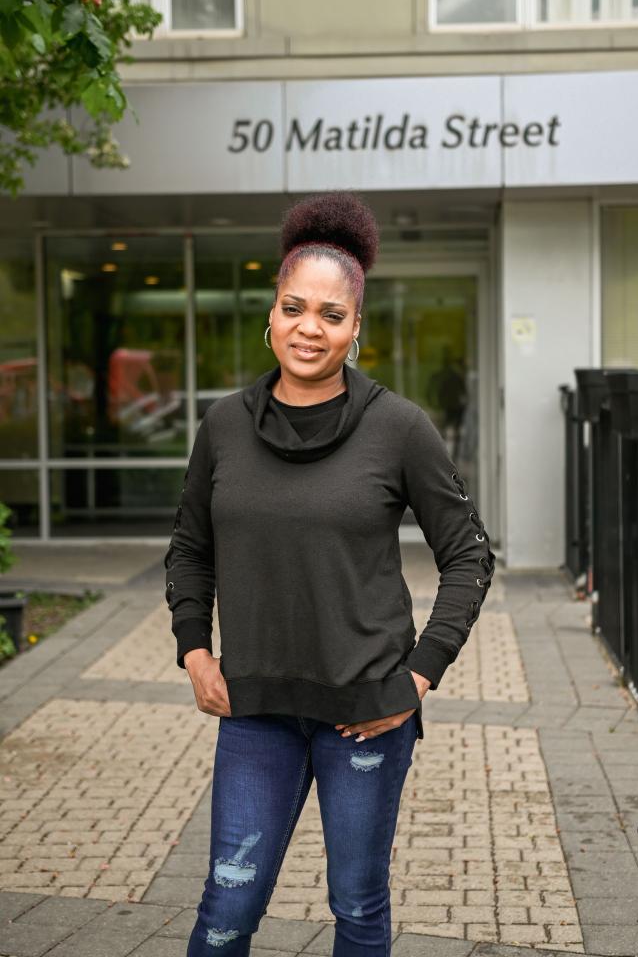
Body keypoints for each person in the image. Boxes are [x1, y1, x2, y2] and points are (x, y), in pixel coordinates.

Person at [164, 190, 496, 956]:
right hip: (256, 715)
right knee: (227, 910)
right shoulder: (222, 427)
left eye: (331, 314)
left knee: (356, 904)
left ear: (355, 329)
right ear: (270, 317)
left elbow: (470, 555)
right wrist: (194, 649)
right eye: (294, 307)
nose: (310, 328)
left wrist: (414, 680)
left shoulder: (400, 429)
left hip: (367, 716)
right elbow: (190, 545)